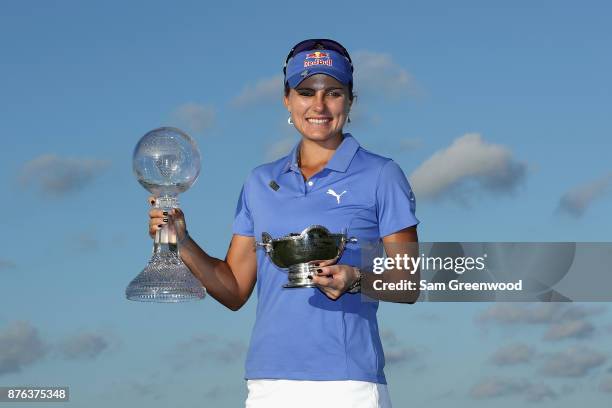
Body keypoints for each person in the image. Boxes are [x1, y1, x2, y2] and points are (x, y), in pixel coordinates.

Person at [148, 39, 420, 408]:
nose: (319, 106)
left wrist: (355, 279)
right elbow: (233, 289)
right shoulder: (260, 182)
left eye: (334, 93)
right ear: (287, 100)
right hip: (269, 383)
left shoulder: (381, 174)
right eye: (306, 92)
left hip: (348, 384)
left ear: (350, 101)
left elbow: (408, 283)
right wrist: (182, 241)